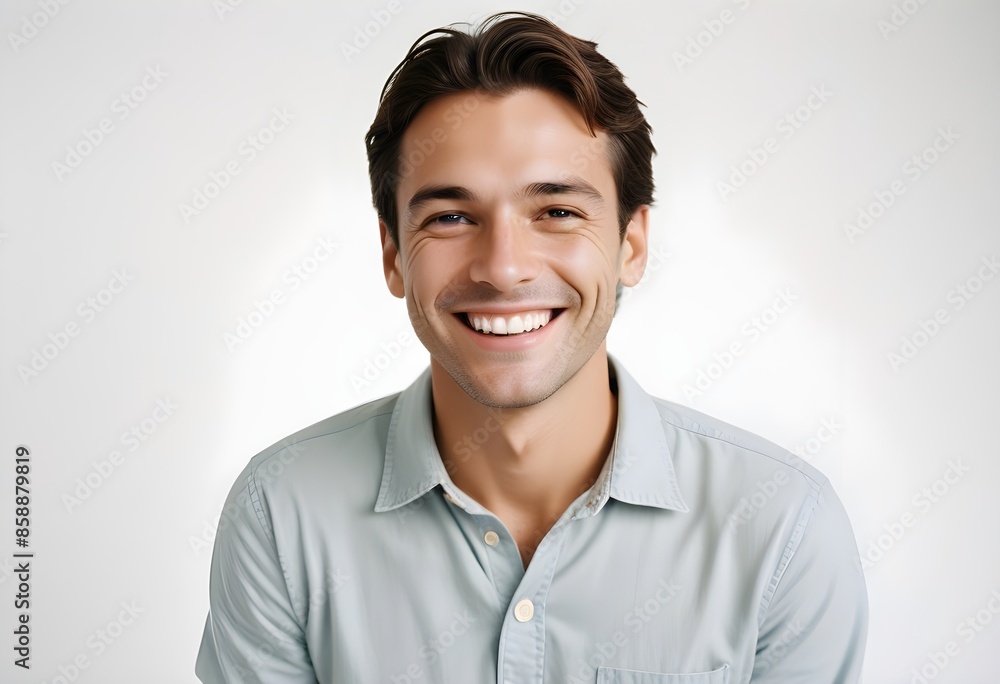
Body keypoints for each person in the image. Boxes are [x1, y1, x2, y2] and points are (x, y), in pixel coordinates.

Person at [196, 11, 868, 683]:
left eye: (556, 212)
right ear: (393, 254)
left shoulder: (782, 529)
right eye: (452, 217)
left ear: (631, 244)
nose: (504, 267)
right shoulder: (281, 514)